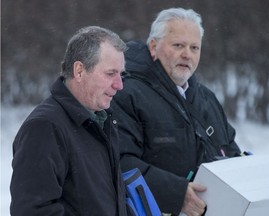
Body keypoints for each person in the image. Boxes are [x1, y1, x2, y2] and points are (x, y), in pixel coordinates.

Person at [111, 8, 241, 216]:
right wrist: (176, 195)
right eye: (178, 45)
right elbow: (120, 163)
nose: (187, 54)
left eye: (194, 47)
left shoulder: (206, 98)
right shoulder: (126, 94)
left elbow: (231, 151)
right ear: (153, 47)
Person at [10, 26, 128, 216]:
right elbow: (33, 211)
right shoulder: (45, 127)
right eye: (110, 74)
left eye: (121, 74)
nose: (119, 85)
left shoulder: (102, 119)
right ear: (79, 71)